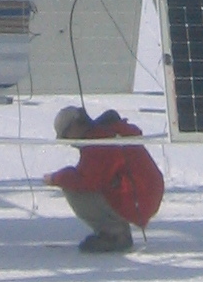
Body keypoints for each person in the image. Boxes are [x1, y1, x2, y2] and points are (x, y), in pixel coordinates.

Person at [45, 104, 164, 253]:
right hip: (145, 194)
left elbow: (85, 181)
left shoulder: (99, 142)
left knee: (73, 189)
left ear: (74, 127)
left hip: (138, 199)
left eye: (65, 136)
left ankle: (114, 234)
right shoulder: (110, 132)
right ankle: (117, 228)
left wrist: (56, 178)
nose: (68, 142)